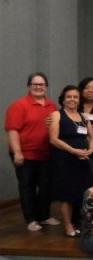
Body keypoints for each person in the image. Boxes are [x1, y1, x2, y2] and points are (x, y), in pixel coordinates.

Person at [5, 72, 60, 231]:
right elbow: (13, 131)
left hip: (46, 153)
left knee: (46, 187)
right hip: (25, 154)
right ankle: (31, 219)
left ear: (46, 87)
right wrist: (17, 152)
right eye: (35, 84)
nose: (38, 87)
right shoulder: (18, 106)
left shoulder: (51, 105)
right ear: (29, 86)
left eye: (41, 84)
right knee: (27, 187)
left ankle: (44, 216)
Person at [49, 85, 93, 237]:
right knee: (67, 194)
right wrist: (73, 151)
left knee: (84, 192)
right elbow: (54, 139)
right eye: (69, 97)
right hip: (65, 159)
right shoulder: (57, 115)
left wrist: (90, 150)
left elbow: (92, 138)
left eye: (75, 97)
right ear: (63, 99)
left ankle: (81, 222)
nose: (72, 100)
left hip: (83, 160)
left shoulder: (84, 117)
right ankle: (68, 225)